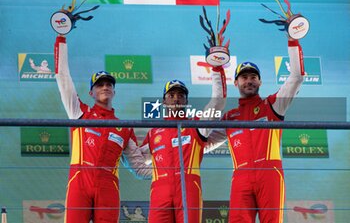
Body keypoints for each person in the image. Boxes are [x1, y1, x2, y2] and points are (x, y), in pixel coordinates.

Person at [54, 35, 152, 223]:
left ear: (114, 91)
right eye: (100, 84)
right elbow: (62, 78)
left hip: (108, 186)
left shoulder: (124, 128)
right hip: (79, 181)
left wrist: (168, 172)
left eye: (109, 84)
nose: (105, 87)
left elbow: (138, 167)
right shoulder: (79, 113)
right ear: (91, 92)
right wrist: (61, 36)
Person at [210, 38, 304, 223]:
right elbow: (203, 141)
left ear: (260, 81)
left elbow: (297, 77)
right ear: (236, 82)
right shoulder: (230, 117)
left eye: (253, 77)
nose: (249, 81)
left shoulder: (272, 105)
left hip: (269, 173)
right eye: (244, 77)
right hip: (241, 176)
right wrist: (215, 68)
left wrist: (293, 40)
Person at [140, 65, 227, 223]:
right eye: (171, 95)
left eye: (180, 95)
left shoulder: (197, 124)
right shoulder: (154, 132)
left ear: (186, 101)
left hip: (188, 188)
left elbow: (218, 103)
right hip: (160, 189)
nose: (176, 98)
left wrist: (216, 67)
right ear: (164, 101)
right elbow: (137, 158)